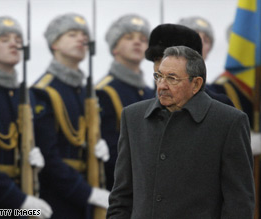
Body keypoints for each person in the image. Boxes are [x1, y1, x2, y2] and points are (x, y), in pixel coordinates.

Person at [107, 46, 255, 218]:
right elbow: (121, 196)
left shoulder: (229, 122)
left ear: (196, 84)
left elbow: (239, 203)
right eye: (159, 76)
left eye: (172, 79)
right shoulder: (133, 117)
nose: (162, 86)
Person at [0, 16, 52, 218]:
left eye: (17, 39)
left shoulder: (27, 95)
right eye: (5, 39)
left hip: (25, 191)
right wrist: (19, 200)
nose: (15, 43)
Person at [31, 13, 110, 219]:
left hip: (87, 195)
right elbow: (49, 156)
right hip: (59, 199)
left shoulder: (86, 92)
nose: (81, 39)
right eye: (72, 34)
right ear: (54, 44)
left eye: (84, 35)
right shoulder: (44, 91)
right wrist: (87, 193)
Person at [95, 14, 154, 191]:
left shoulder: (153, 93)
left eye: (143, 39)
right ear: (115, 48)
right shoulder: (103, 91)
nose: (138, 43)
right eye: (129, 38)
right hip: (122, 186)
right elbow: (111, 148)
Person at [145, 23, 234, 106]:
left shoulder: (222, 110)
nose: (162, 67)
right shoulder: (140, 111)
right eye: (157, 60)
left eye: (171, 60)